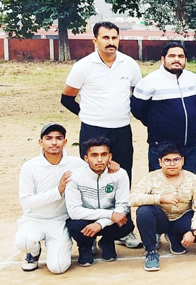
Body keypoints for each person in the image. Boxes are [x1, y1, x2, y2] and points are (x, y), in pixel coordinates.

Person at [60, 21, 142, 248]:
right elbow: (66, 98)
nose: (110, 42)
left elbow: (137, 96)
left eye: (114, 38)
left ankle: (123, 230)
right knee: (93, 179)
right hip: (93, 131)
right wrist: (86, 115)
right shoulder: (83, 66)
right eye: (105, 38)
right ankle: (88, 231)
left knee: (122, 178)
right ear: (94, 40)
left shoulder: (130, 64)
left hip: (122, 130)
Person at [130, 143, 196, 271]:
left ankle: (174, 237)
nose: (172, 164)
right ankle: (151, 252)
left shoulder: (192, 179)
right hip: (160, 219)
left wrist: (193, 231)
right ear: (160, 162)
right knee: (143, 211)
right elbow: (132, 199)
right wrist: (161, 198)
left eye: (176, 160)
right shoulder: (151, 178)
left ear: (182, 161)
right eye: (167, 160)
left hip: (182, 218)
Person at [15, 123, 85, 273]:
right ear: (41, 142)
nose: (54, 142)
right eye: (48, 138)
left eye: (59, 138)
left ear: (65, 142)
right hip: (34, 219)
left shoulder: (77, 164)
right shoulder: (30, 166)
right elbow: (26, 201)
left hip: (59, 221)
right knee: (24, 241)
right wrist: (58, 191)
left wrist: (111, 165)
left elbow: (95, 172)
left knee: (58, 268)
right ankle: (33, 252)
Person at [132, 42, 196, 173]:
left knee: (187, 187)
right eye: (172, 56)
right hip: (162, 148)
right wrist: (155, 123)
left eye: (181, 56)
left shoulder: (193, 78)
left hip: (190, 147)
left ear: (185, 59)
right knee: (162, 188)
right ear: (163, 59)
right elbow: (137, 109)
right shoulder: (150, 81)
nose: (176, 59)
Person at [65, 137, 133, 266]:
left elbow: (122, 206)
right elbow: (74, 211)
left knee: (126, 223)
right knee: (74, 225)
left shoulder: (120, 174)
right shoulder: (74, 177)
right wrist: (109, 215)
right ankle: (85, 246)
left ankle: (107, 241)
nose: (100, 159)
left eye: (104, 154)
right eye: (94, 155)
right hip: (87, 218)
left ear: (110, 156)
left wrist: (100, 224)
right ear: (86, 158)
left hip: (109, 221)